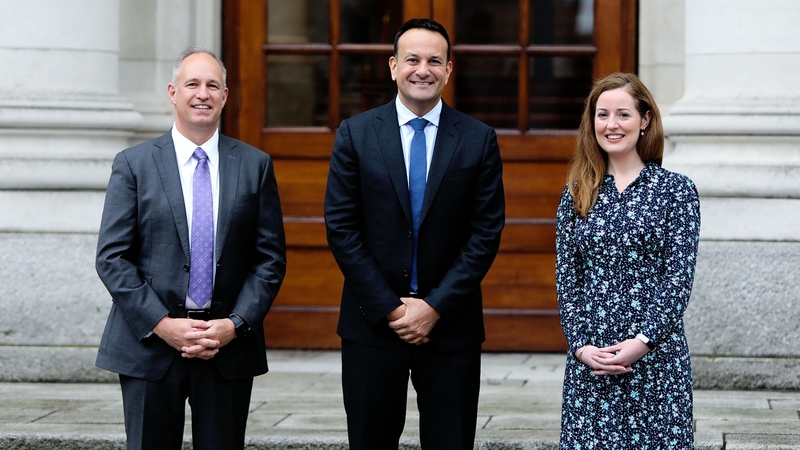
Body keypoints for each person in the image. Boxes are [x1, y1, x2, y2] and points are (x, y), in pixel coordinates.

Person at [324, 18, 505, 450]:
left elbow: (485, 234)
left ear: (448, 70)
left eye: (434, 61)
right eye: (412, 59)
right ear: (393, 66)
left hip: (451, 327)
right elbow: (341, 228)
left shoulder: (478, 140)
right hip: (372, 325)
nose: (422, 69)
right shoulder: (356, 134)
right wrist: (392, 309)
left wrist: (434, 307)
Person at [95, 47, 287, 450]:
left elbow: (269, 259)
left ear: (225, 95)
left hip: (226, 347)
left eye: (213, 85)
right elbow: (112, 257)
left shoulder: (254, 165)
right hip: (149, 345)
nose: (203, 94)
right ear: (172, 92)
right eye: (192, 84)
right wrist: (163, 324)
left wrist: (234, 324)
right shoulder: (134, 164)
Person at [555, 72, 700, 448]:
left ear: (645, 120)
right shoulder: (576, 193)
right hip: (593, 361)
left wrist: (644, 340)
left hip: (655, 360)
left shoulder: (676, 191)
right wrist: (581, 346)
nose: (611, 125)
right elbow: (568, 282)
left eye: (623, 114)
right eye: (602, 115)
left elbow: (677, 280)